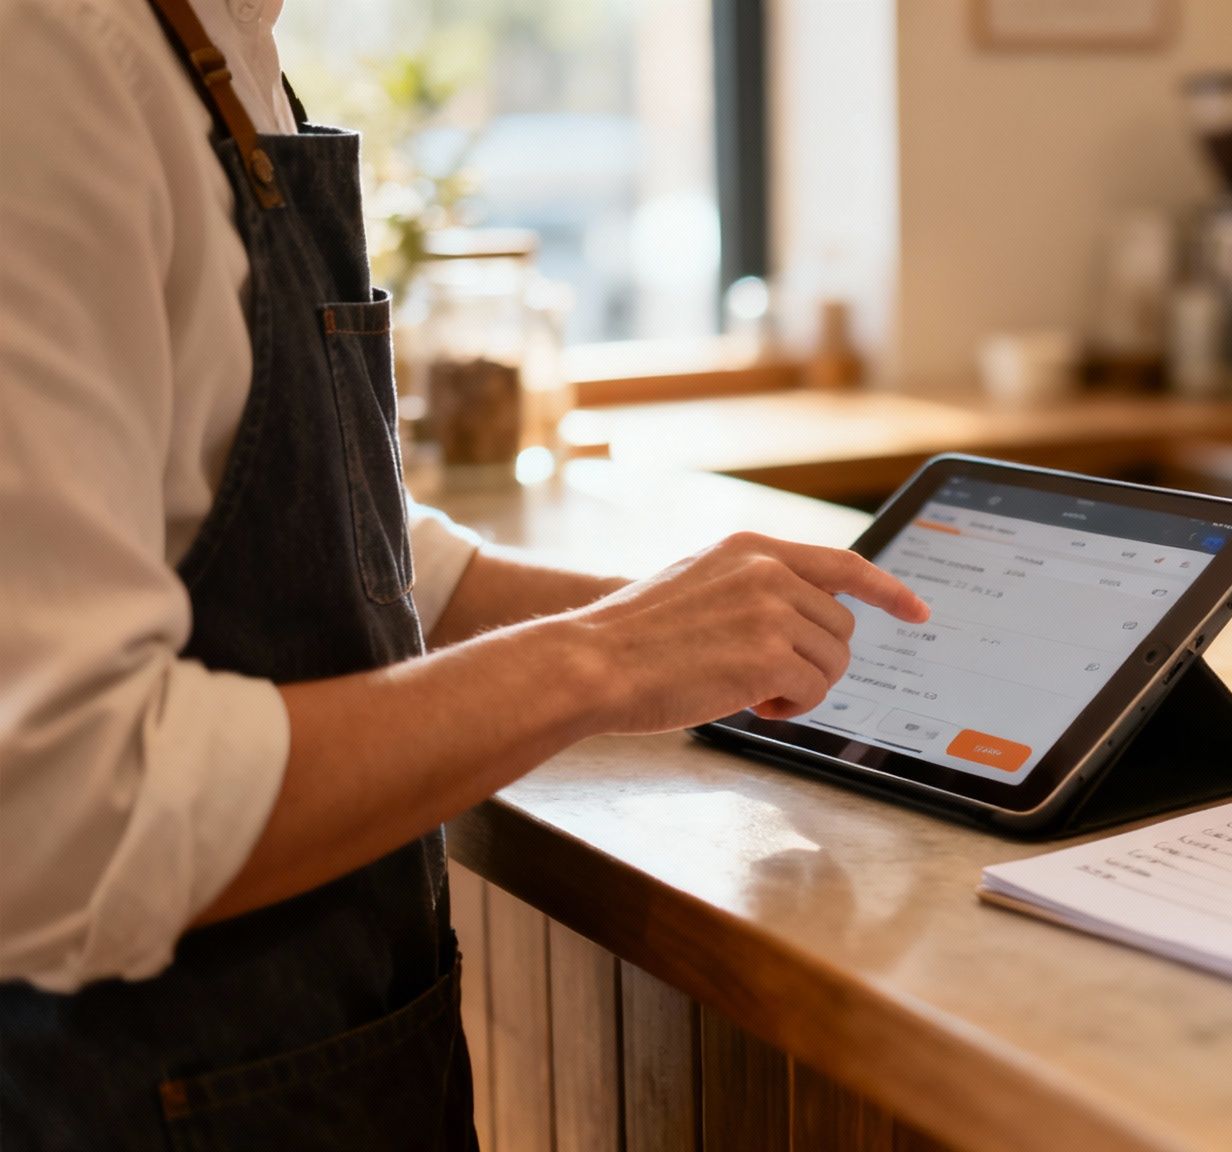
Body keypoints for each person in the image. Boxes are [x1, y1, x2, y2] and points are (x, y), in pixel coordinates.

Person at [0, 0, 928, 1146]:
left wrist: (686, 622)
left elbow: (361, 551)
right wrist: (602, 659)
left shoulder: (218, 43)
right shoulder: (47, 57)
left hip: (322, 1065)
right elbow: (63, 810)